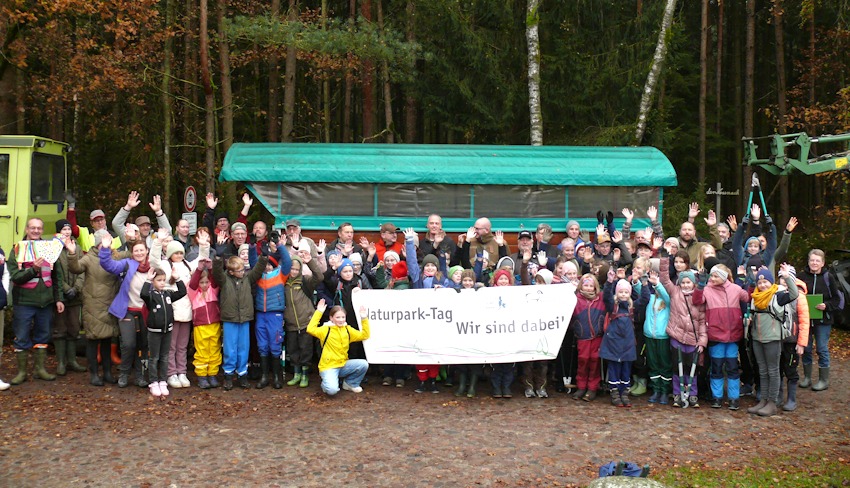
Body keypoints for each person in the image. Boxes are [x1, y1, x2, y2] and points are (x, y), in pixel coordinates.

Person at [7, 218, 65, 385]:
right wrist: (34, 270)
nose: (36, 231)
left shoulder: (50, 248)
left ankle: (40, 369)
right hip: (24, 301)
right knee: (22, 336)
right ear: (26, 229)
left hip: (45, 302)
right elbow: (15, 277)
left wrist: (58, 298)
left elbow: (57, 276)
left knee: (43, 335)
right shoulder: (17, 249)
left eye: (39, 228)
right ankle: (22, 372)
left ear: (42, 230)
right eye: (32, 228)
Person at [63, 230, 121, 386]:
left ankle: (108, 373)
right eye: (105, 241)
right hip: (93, 305)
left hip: (110, 303)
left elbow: (131, 254)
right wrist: (72, 253)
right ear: (98, 243)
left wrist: (132, 238)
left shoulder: (114, 256)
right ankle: (94, 374)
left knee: (108, 340)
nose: (109, 243)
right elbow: (75, 267)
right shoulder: (88, 258)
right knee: (93, 340)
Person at [150, 230, 203, 390]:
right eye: (176, 252)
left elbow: (201, 260)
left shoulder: (187, 265)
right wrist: (158, 242)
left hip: (187, 311)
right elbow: (153, 260)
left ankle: (182, 372)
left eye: (181, 252)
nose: (179, 255)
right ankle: (171, 372)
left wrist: (204, 245)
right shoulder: (165, 265)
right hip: (171, 310)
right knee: (171, 346)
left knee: (182, 345)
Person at [692, 264, 750, 410]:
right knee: (716, 368)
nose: (712, 278)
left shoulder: (735, 289)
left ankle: (733, 398)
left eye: (715, 276)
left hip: (733, 335)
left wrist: (751, 282)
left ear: (723, 277)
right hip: (716, 335)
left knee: (732, 368)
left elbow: (748, 296)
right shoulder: (707, 289)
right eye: (711, 276)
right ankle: (716, 397)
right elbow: (697, 300)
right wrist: (700, 285)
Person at [658, 244, 707, 408]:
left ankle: (692, 394)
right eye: (683, 282)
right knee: (677, 368)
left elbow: (701, 322)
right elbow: (664, 278)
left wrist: (702, 341)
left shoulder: (698, 298)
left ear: (693, 283)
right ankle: (677, 393)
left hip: (693, 339)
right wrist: (665, 258)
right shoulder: (675, 292)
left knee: (690, 368)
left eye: (689, 282)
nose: (686, 285)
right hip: (677, 336)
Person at [99, 234, 152, 387]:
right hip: (127, 310)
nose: (139, 253)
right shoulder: (128, 264)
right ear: (132, 252)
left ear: (147, 251)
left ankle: (141, 375)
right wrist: (105, 248)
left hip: (146, 311)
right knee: (128, 344)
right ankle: (124, 373)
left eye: (142, 250)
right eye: (136, 251)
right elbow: (108, 265)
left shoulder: (154, 266)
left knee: (144, 346)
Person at [746, 264, 798, 417]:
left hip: (773, 338)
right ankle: (763, 400)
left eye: (765, 282)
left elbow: (794, 294)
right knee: (762, 370)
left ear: (771, 282)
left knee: (773, 370)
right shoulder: (755, 297)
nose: (762, 285)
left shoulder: (778, 295)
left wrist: (787, 277)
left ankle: (772, 402)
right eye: (759, 282)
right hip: (757, 338)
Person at [212, 252, 268, 390]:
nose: (243, 272)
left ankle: (242, 374)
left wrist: (264, 257)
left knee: (244, 347)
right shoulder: (224, 279)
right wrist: (219, 257)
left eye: (243, 269)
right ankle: (228, 375)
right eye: (239, 270)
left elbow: (258, 270)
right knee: (230, 349)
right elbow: (217, 271)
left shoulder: (247, 278)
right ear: (231, 272)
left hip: (245, 318)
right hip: (230, 319)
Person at [600, 269, 650, 407]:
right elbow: (606, 297)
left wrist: (644, 283)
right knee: (614, 367)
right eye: (621, 292)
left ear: (629, 293)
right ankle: (614, 392)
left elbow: (645, 299)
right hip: (613, 343)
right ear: (617, 293)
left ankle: (624, 392)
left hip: (627, 344)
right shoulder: (613, 306)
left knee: (626, 368)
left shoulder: (631, 307)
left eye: (626, 292)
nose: (623, 294)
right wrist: (610, 282)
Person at [799, 249, 843, 391]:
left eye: (817, 260)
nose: (814, 263)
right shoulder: (801, 276)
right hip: (805, 320)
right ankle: (807, 377)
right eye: (812, 260)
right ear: (808, 261)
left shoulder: (828, 277)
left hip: (823, 320)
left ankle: (823, 380)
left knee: (822, 348)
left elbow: (837, 299)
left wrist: (826, 306)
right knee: (806, 348)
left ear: (822, 263)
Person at [140, 267, 187, 398]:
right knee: (154, 358)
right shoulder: (151, 296)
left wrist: (177, 278)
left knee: (165, 357)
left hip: (167, 330)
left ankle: (163, 381)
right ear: (154, 282)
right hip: (154, 332)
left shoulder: (167, 294)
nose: (161, 283)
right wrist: (148, 280)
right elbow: (143, 294)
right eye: (158, 280)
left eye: (163, 280)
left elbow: (182, 292)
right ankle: (154, 382)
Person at [307, 298, 370, 396]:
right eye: (338, 317)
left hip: (343, 365)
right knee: (332, 391)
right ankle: (326, 384)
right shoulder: (325, 329)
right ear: (331, 318)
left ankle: (350, 383)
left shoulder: (348, 330)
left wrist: (363, 318)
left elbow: (364, 335)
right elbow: (310, 329)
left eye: (343, 317)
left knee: (363, 364)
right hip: (328, 366)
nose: (341, 320)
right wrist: (319, 312)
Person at [251, 241, 292, 389]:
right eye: (265, 264)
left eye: (270, 264)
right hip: (261, 314)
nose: (267, 266)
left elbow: (287, 261)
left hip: (275, 314)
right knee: (262, 345)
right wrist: (252, 248)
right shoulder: (259, 276)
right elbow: (253, 262)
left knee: (275, 344)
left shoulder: (280, 275)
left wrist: (280, 246)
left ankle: (276, 376)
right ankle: (264, 376)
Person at [284, 243, 324, 388]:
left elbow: (319, 276)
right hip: (291, 323)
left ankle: (305, 375)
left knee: (306, 350)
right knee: (293, 350)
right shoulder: (283, 283)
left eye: (296, 269)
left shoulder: (305, 281)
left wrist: (310, 262)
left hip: (306, 321)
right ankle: (296, 374)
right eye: (292, 269)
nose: (294, 272)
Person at [53, 219, 87, 376]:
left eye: (68, 229)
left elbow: (83, 270)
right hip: (60, 294)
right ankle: (61, 362)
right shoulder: (53, 249)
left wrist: (76, 288)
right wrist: (66, 289)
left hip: (76, 295)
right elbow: (54, 273)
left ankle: (72, 360)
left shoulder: (77, 248)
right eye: (63, 229)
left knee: (74, 328)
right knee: (60, 329)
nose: (66, 232)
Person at [187, 249, 222, 389]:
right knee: (202, 351)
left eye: (206, 282)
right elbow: (193, 284)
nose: (204, 285)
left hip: (214, 324)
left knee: (214, 349)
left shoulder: (213, 291)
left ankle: (212, 374)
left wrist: (210, 267)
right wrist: (199, 269)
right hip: (200, 326)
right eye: (202, 282)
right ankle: (202, 376)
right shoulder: (194, 293)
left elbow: (215, 281)